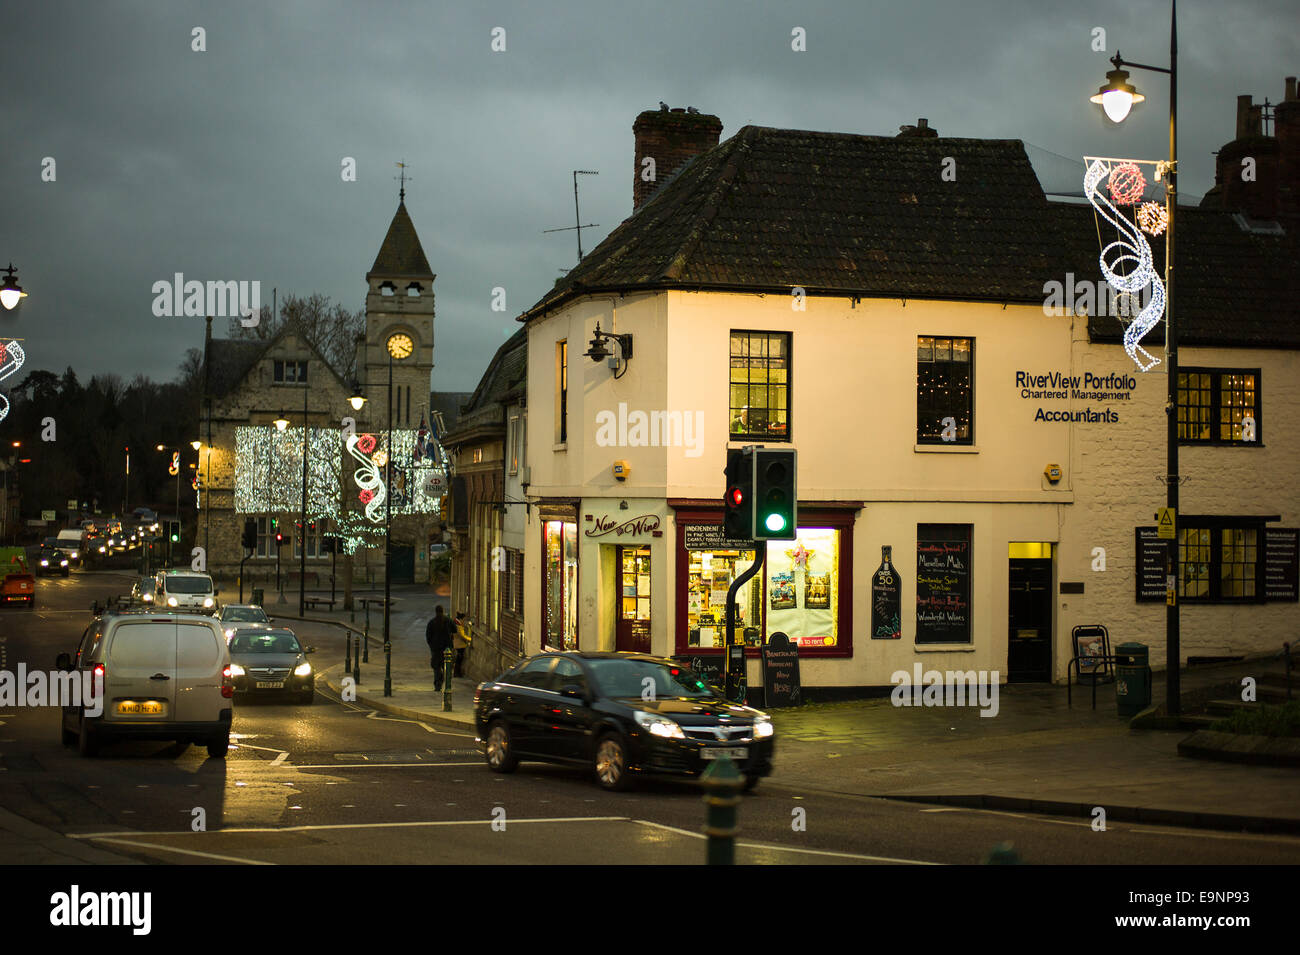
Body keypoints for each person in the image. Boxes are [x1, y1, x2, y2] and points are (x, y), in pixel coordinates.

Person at [425, 605, 456, 690]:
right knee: (447, 665)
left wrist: (431, 645)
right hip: (447, 647)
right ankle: (447, 683)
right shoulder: (448, 621)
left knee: (436, 667)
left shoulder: (432, 622)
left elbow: (428, 636)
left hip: (436, 648)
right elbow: (455, 630)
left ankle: (438, 684)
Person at [453, 611, 472, 677]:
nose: (464, 621)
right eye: (464, 619)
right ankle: (457, 673)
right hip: (459, 644)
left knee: (459, 659)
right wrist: (470, 639)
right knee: (459, 659)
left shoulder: (456, 623)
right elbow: (462, 635)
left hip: (457, 643)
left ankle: (457, 672)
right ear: (461, 619)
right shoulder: (458, 625)